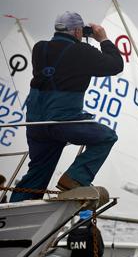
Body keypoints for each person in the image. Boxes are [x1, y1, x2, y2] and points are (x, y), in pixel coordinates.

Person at [10, 11, 123, 202]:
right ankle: (75, 179)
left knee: (37, 171)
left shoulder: (39, 49)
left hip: (36, 125)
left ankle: (14, 210)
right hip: (63, 122)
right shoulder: (83, 52)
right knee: (107, 137)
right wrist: (103, 39)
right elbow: (115, 65)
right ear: (79, 31)